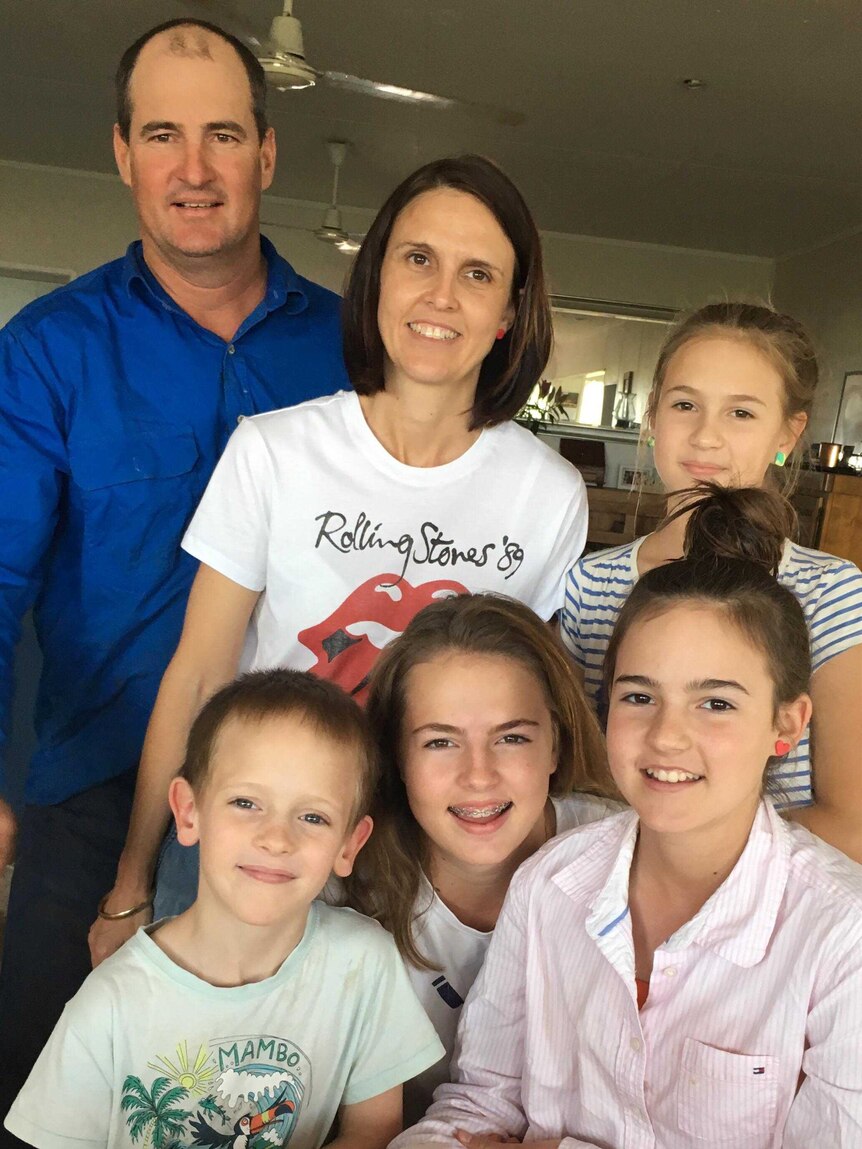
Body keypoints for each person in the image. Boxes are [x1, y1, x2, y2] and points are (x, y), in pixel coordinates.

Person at [94, 155, 591, 958]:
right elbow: (197, 676)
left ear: (508, 311)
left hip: (424, 869)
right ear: (378, 280)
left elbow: (529, 724)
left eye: (478, 273)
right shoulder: (274, 451)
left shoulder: (549, 492)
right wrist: (131, 883)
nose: (441, 295)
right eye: (418, 258)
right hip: (253, 847)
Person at [0, 16, 347, 1130]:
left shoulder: (353, 352)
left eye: (223, 136)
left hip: (307, 807)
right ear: (121, 153)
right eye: (162, 135)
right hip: (94, 788)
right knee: (41, 1088)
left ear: (267, 153)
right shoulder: (51, 348)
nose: (193, 170)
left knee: (274, 1104)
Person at [395, 486, 862, 1149]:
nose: (667, 736)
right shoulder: (548, 884)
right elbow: (476, 1101)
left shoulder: (841, 938)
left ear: (786, 723)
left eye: (717, 703)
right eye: (639, 695)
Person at [6, 670, 443, 1149]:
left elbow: (374, 1130)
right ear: (189, 812)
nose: (276, 838)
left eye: (313, 816)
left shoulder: (365, 961)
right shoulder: (110, 1004)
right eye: (246, 803)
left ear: (349, 844)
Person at [561, 302, 862, 860]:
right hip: (614, 890)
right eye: (684, 404)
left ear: (789, 432)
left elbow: (852, 823)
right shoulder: (590, 585)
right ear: (653, 417)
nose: (705, 436)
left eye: (741, 413)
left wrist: (687, 858)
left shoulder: (831, 593)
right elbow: (584, 776)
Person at [340, 593, 618, 1123]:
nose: (479, 775)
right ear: (396, 755)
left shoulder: (630, 856)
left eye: (511, 737)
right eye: (440, 743)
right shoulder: (343, 880)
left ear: (555, 746)